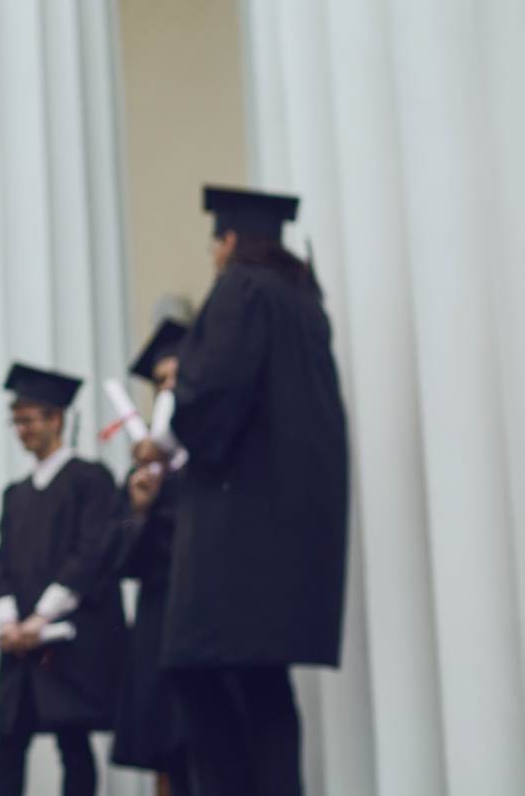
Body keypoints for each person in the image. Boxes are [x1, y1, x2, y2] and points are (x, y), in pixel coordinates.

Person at [134, 186, 349, 796]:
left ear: (228, 242)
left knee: (195, 673)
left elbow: (211, 395)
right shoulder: (304, 301)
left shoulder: (240, 289)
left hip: (236, 533)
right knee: (262, 684)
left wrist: (166, 438)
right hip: (289, 533)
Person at [0, 364, 126, 796]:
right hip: (20, 640)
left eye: (30, 419)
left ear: (56, 419)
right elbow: (0, 561)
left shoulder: (90, 479)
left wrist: (43, 616)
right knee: (9, 742)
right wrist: (8, 618)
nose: (22, 429)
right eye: (17, 420)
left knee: (73, 740)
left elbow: (92, 553)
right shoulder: (16, 493)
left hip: (69, 636)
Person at [106, 319, 192, 794]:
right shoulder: (143, 474)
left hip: (209, 620)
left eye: (178, 377)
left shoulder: (212, 460)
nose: (169, 390)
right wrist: (139, 510)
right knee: (166, 752)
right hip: (160, 623)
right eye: (160, 382)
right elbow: (118, 558)